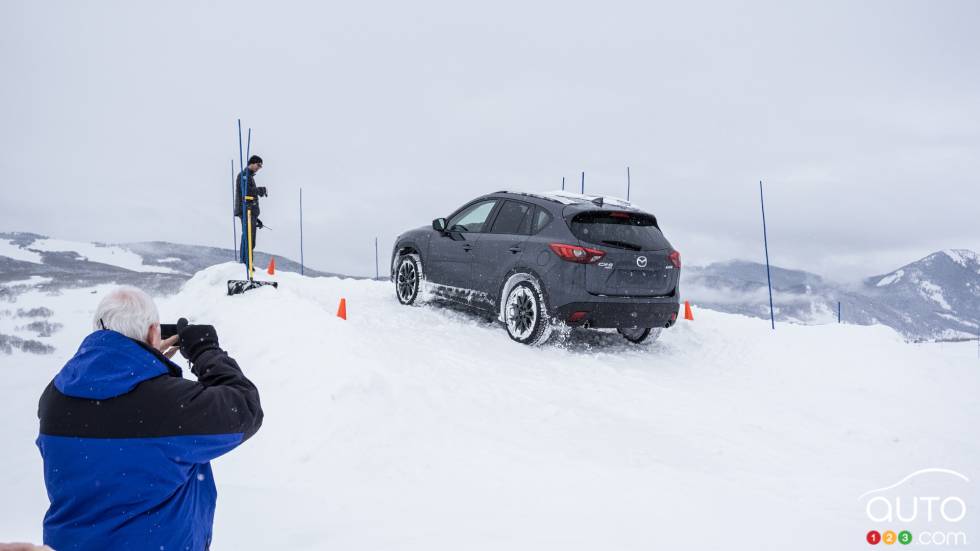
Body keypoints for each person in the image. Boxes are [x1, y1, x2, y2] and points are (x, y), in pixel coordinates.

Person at [36, 286, 263, 550]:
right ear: (154, 332)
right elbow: (245, 408)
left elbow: (111, 417)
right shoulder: (168, 406)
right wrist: (205, 351)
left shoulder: (54, 397)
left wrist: (147, 365)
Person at [234, 154, 266, 264]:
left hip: (250, 212)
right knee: (248, 238)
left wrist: (256, 218)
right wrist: (260, 190)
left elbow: (250, 197)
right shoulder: (243, 175)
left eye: (261, 166)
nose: (259, 168)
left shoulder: (249, 176)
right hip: (245, 211)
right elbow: (246, 192)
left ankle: (247, 262)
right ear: (252, 163)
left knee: (251, 239)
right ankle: (245, 263)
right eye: (258, 165)